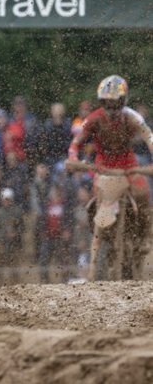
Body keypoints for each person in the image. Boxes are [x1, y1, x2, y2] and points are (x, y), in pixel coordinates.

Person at [68, 75, 153, 278]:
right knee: (97, 201)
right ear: (102, 103)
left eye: (116, 104)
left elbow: (149, 137)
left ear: (123, 102)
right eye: (108, 104)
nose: (112, 109)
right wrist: (73, 158)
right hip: (103, 168)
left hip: (129, 167)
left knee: (142, 191)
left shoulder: (132, 117)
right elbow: (76, 143)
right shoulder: (94, 118)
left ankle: (146, 236)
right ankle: (94, 261)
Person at [0, 188, 25, 285]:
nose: (6, 201)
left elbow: (23, 228)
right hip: (0, 243)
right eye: (4, 199)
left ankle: (15, 285)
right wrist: (0, 236)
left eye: (8, 199)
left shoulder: (17, 212)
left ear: (12, 199)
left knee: (14, 267)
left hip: (14, 243)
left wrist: (16, 233)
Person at [39, 103, 72, 167]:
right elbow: (43, 144)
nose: (58, 115)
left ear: (63, 113)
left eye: (60, 112)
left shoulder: (68, 125)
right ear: (52, 113)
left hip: (65, 156)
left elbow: (70, 143)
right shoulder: (47, 125)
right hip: (50, 158)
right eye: (55, 112)